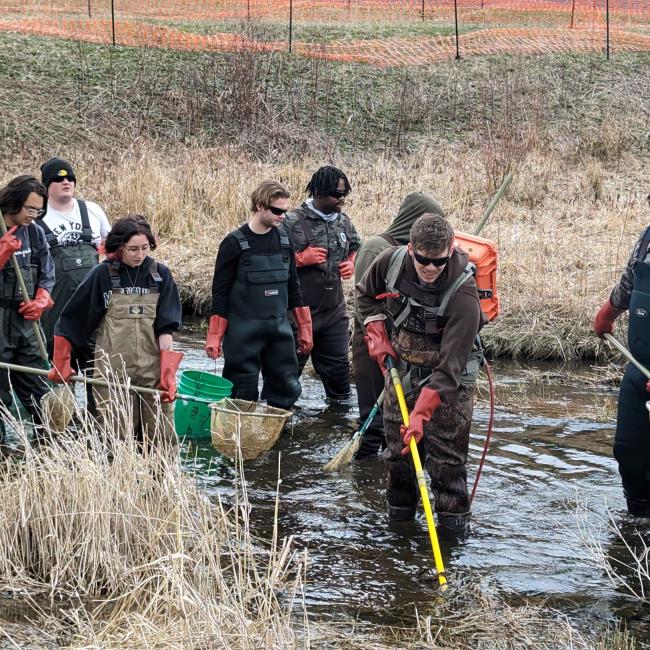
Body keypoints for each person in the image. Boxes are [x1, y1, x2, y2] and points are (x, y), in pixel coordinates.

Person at [356, 213, 483, 526]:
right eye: (423, 260)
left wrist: (421, 414)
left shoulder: (465, 295)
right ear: (411, 250)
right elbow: (364, 295)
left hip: (449, 384)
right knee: (398, 457)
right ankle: (399, 531)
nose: (430, 269)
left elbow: (450, 367)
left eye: (439, 262)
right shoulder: (390, 262)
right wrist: (376, 333)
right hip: (401, 372)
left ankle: (452, 533)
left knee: (446, 466)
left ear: (450, 252)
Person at [48, 216, 182, 454]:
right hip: (111, 374)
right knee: (116, 438)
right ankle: (118, 484)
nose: (139, 255)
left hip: (152, 373)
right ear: (119, 247)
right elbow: (72, 320)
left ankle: (159, 485)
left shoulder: (161, 275)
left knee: (160, 438)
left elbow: (166, 328)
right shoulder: (102, 275)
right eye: (132, 249)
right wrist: (62, 361)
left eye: (144, 248)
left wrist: (168, 371)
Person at [352, 192, 445, 459]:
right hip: (372, 346)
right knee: (374, 422)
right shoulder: (376, 249)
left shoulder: (417, 257)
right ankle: (363, 475)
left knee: (396, 422)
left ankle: (387, 472)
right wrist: (380, 340)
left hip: (403, 348)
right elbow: (364, 303)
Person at [205, 180, 312, 410]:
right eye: (276, 211)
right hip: (243, 334)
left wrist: (305, 328)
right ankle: (239, 439)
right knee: (242, 394)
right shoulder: (233, 244)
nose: (282, 216)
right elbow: (220, 293)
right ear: (259, 206)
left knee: (286, 388)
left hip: (279, 332)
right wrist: (215, 336)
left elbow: (294, 286)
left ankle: (278, 435)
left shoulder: (284, 241)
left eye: (285, 210)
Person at [282, 166, 361, 401]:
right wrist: (299, 259)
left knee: (339, 377)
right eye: (337, 195)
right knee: (287, 376)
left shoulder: (344, 222)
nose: (341, 200)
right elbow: (269, 259)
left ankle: (337, 424)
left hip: (333, 313)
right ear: (318, 192)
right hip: (297, 313)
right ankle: (282, 420)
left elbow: (356, 246)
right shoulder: (290, 222)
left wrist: (350, 263)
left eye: (344, 194)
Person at [594, 222, 650, 517]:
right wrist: (608, 312)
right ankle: (635, 532)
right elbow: (631, 280)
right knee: (629, 453)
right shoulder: (647, 238)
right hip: (640, 368)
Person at [0, 175, 54, 440]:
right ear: (13, 202)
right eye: (30, 209)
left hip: (27, 322)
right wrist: (1, 256)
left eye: (38, 210)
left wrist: (41, 299)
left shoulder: (34, 232)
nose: (34, 215)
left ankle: (48, 447)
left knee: (40, 390)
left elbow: (47, 272)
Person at [38, 157, 110, 352]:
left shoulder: (92, 210)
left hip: (91, 303)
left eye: (70, 178)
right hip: (54, 306)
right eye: (58, 179)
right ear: (46, 186)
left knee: (94, 360)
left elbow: (112, 247)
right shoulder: (37, 217)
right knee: (56, 364)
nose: (66, 182)